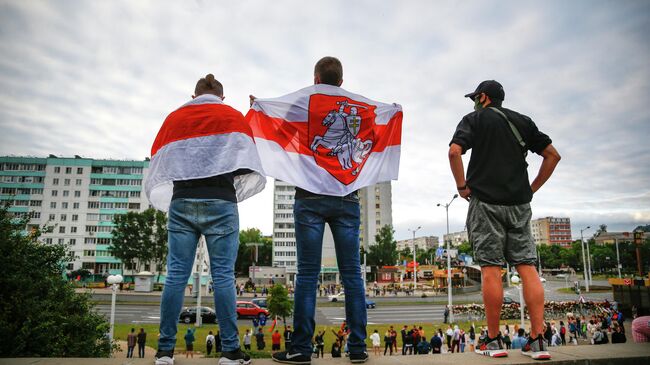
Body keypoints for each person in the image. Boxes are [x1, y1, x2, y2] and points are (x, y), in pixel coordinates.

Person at [148, 74, 263, 365]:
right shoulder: (232, 116)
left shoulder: (175, 118)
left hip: (183, 202)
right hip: (221, 202)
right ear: (222, 98)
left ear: (193, 95)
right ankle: (230, 351)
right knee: (223, 276)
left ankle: (164, 352)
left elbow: (161, 160)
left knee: (176, 275)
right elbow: (246, 159)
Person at [266, 56, 371, 365]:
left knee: (307, 275)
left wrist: (262, 108)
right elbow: (372, 134)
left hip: (309, 197)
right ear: (341, 80)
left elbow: (280, 132)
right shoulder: (356, 106)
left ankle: (300, 349)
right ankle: (358, 349)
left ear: (315, 79)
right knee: (353, 274)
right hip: (346, 197)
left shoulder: (303, 103)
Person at [448, 80, 560, 360]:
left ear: (483, 97)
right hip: (519, 205)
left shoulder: (473, 119)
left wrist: (462, 186)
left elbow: (454, 152)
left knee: (490, 269)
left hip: (485, 204)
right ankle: (537, 340)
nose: (474, 102)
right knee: (527, 267)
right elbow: (552, 155)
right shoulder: (522, 121)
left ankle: (494, 340)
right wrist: (530, 189)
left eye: (475, 97)